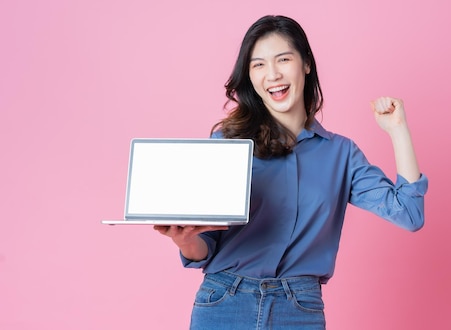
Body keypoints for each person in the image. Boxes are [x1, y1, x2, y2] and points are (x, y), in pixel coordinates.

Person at [154, 14, 428, 330]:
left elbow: (409, 214)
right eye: (258, 65)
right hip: (223, 302)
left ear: (306, 64)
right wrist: (185, 241)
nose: (272, 74)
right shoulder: (227, 143)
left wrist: (398, 131)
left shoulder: (341, 154)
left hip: (298, 309)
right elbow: (207, 247)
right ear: (250, 76)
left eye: (283, 59)